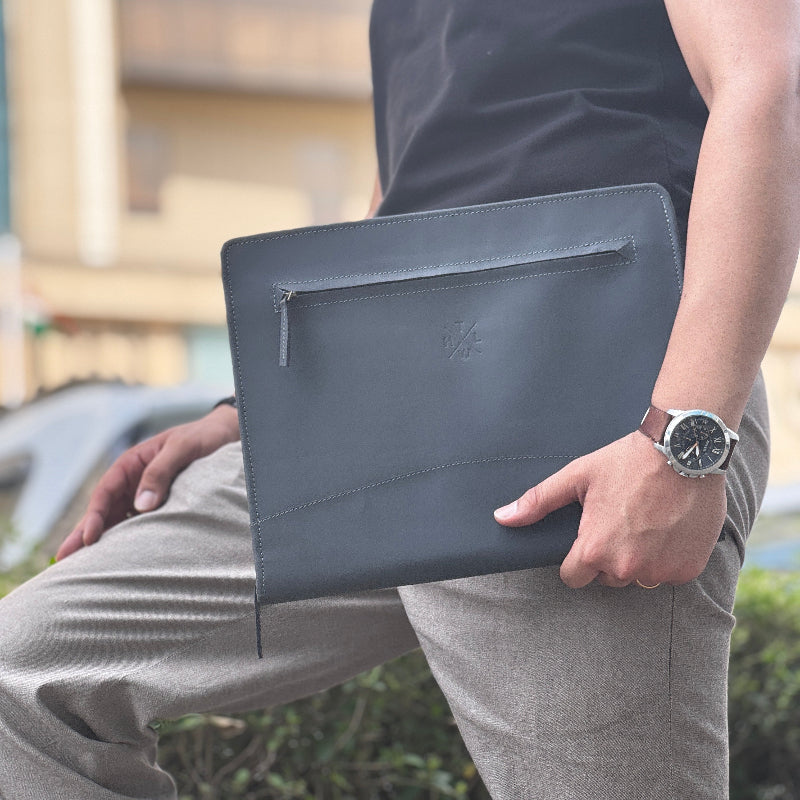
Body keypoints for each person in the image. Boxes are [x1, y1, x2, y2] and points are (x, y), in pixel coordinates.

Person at [1, 0, 798, 797]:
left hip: (596, 413)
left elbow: (766, 82)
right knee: (26, 677)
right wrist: (260, 412)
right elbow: (410, 200)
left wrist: (682, 440)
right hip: (383, 416)